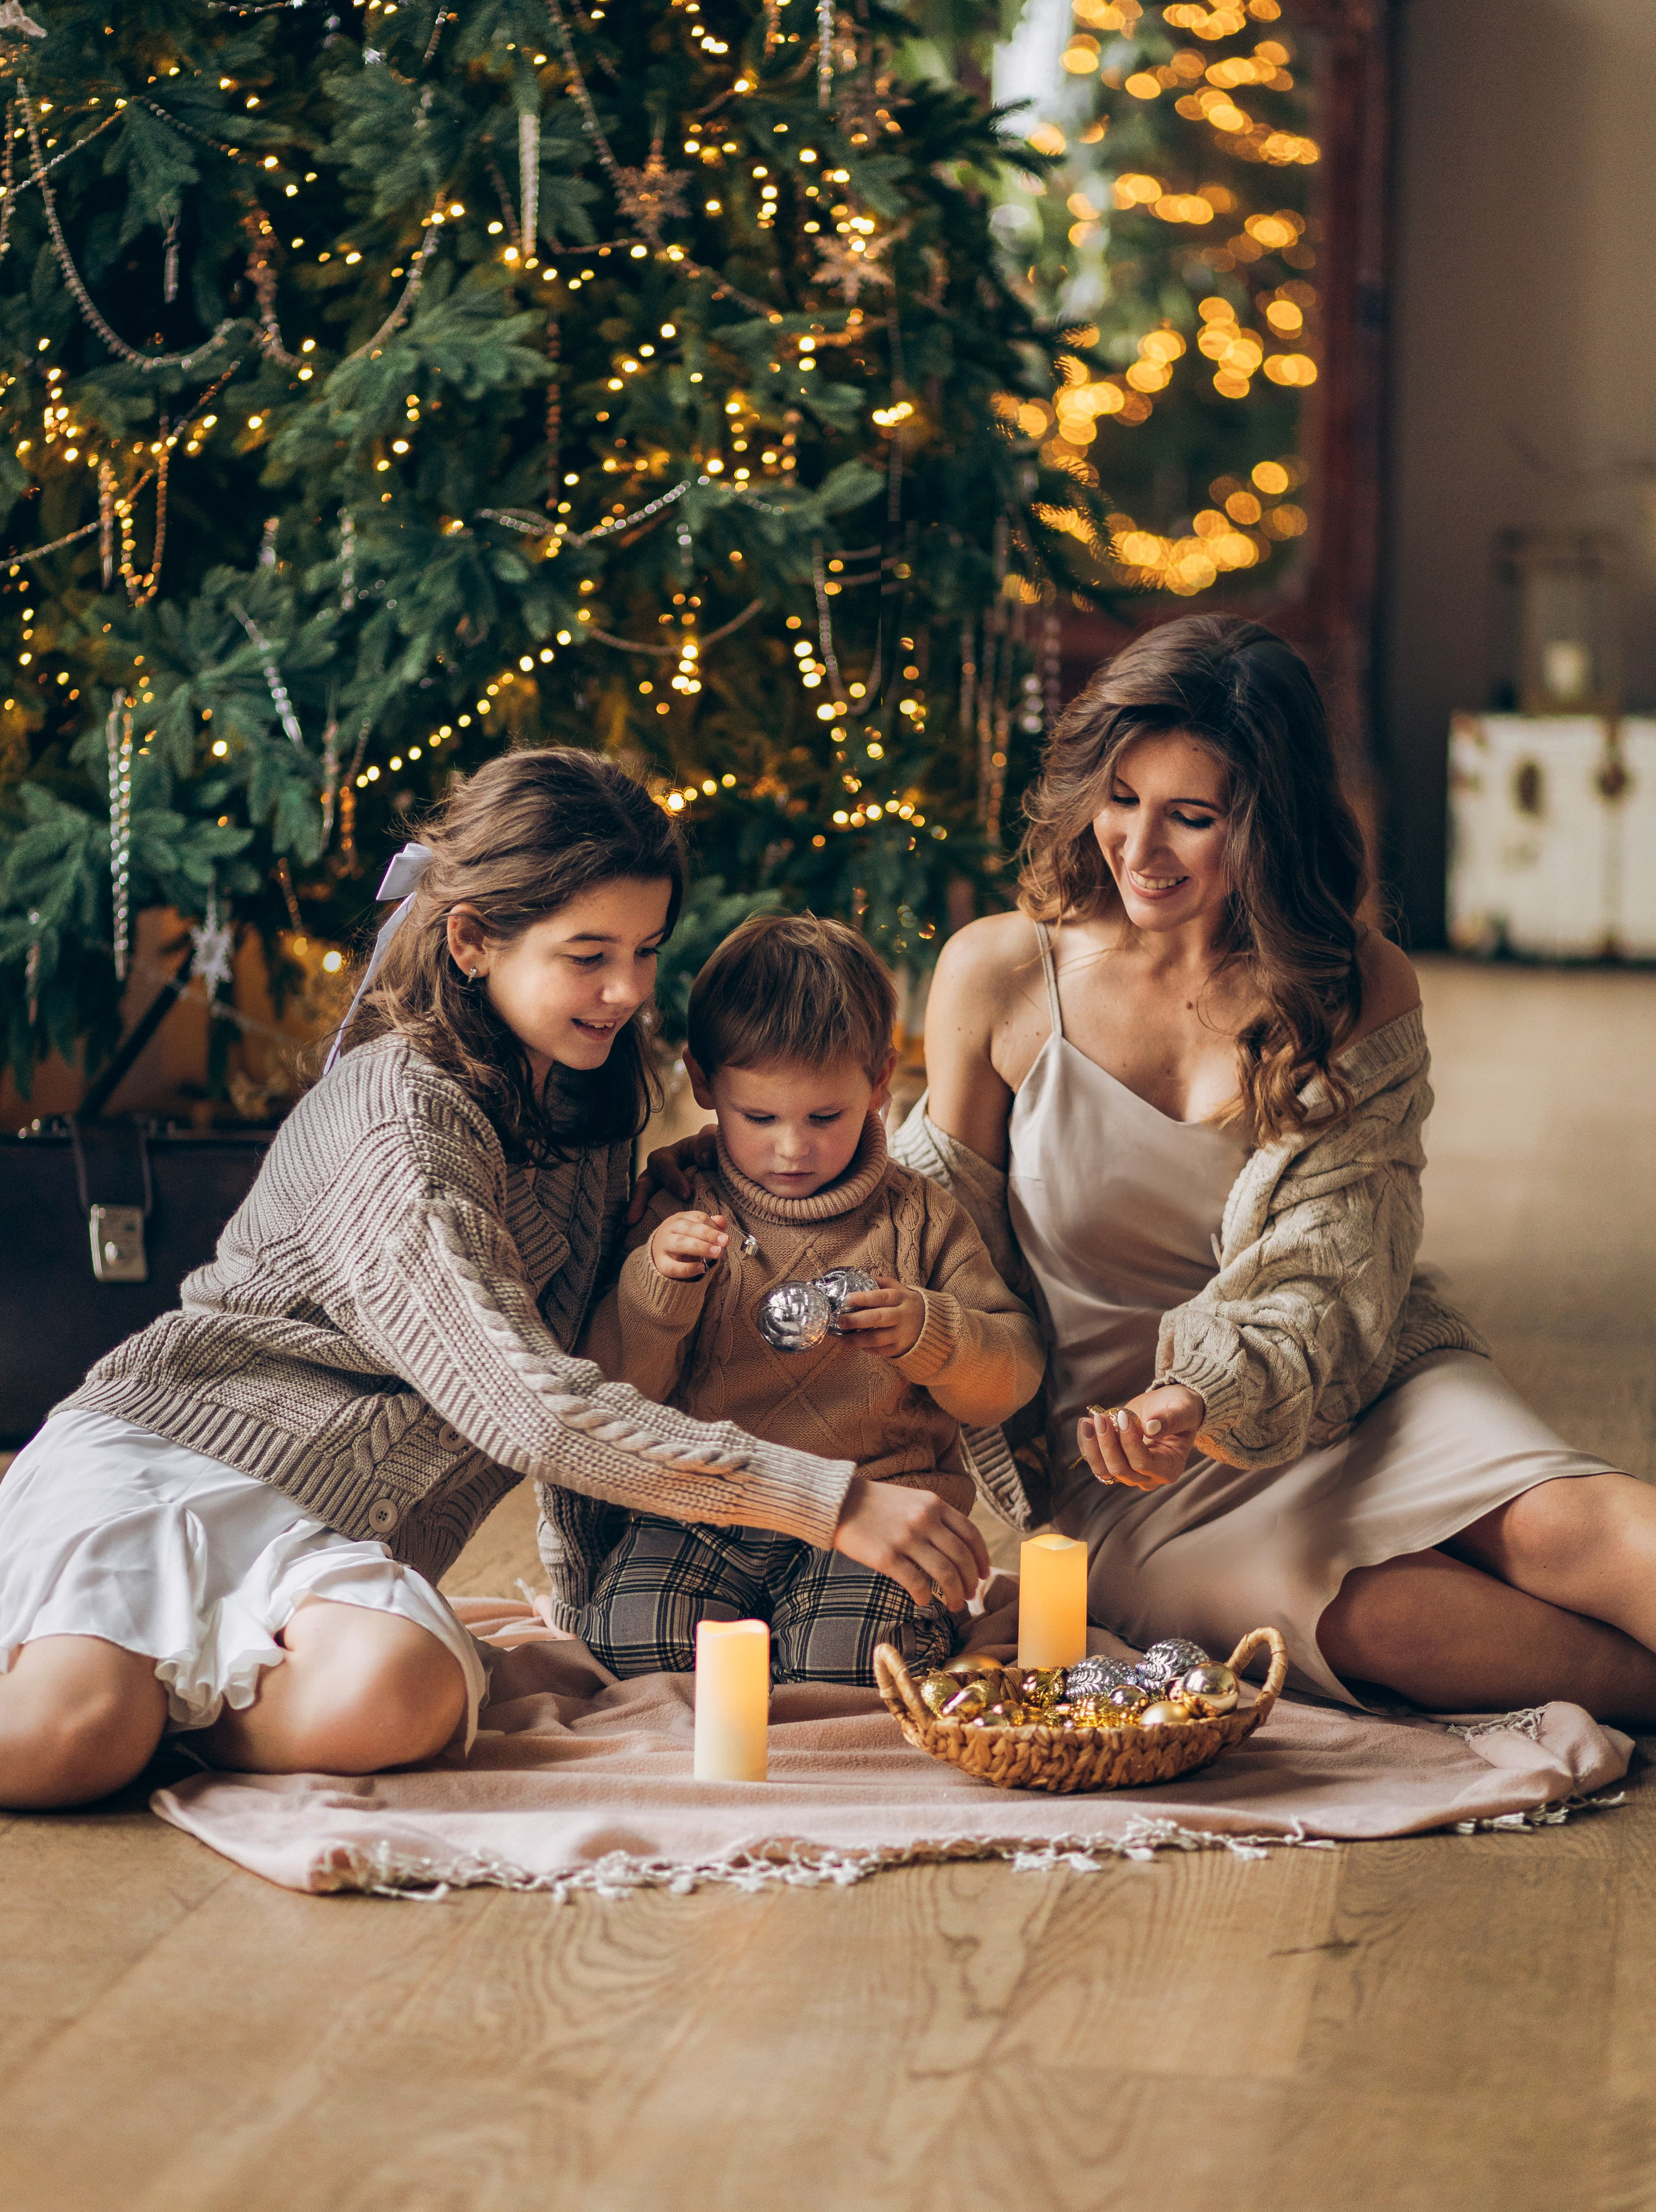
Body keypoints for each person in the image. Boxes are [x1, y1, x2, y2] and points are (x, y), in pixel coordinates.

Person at [0, 749, 988, 1812]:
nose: (629, 990)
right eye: (588, 954)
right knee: (78, 1734)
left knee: (409, 1693)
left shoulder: (589, 1093)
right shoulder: (401, 1125)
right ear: (472, 938)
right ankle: (114, 1687)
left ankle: (161, 1698)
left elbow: (591, 1360)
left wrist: (583, 1584)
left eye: (647, 949)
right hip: (176, 1462)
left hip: (331, 1538)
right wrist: (828, 1502)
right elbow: (530, 1400)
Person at [891, 613, 1656, 1720]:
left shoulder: (1355, 986)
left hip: (1354, 1375)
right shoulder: (1003, 973)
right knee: (1386, 1616)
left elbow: (1330, 1277)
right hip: (1125, 1472)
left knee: (1571, 1521)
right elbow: (932, 1240)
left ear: (1267, 822)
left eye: (1191, 817)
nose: (1139, 849)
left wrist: (1197, 1389)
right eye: (1120, 799)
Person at [568, 914, 1044, 1683]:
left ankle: (843, 1632)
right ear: (702, 1081)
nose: (793, 1148)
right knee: (631, 1639)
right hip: (707, 1506)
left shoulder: (919, 1217)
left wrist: (932, 1331)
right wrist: (655, 1286)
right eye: (759, 1117)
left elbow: (1010, 1379)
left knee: (853, 1662)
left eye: (826, 1116)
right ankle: (763, 1626)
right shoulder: (677, 1207)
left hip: (880, 1507)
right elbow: (615, 1396)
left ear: (880, 1082)